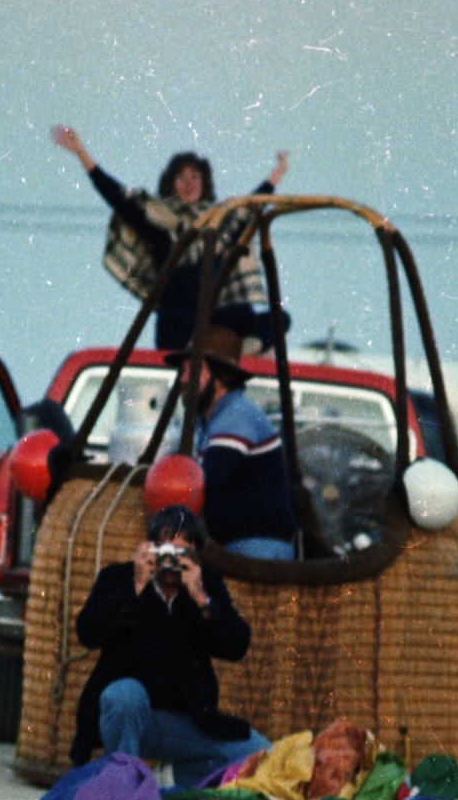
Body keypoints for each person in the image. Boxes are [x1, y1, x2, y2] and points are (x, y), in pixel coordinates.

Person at [70, 504, 268, 787]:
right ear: (151, 548)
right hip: (134, 712)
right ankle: (122, 787)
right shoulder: (119, 578)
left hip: (186, 720)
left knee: (259, 754)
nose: (171, 562)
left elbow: (237, 646)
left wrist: (202, 600)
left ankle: (165, 780)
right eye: (166, 551)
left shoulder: (205, 584)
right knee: (122, 695)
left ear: (195, 557)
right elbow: (87, 632)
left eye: (181, 553)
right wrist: (135, 587)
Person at [50, 125, 289, 351]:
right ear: (172, 183)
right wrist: (81, 152)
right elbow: (118, 196)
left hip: (216, 316)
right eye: (182, 177)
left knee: (276, 318)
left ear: (204, 183)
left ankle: (247, 347)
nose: (189, 183)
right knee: (170, 335)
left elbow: (252, 206)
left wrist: (278, 172)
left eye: (195, 177)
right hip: (179, 321)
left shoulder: (220, 222)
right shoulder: (158, 220)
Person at [186, 326, 298, 559]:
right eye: (183, 370)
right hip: (235, 546)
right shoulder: (206, 421)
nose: (184, 378)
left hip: (258, 549)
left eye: (194, 370)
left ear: (221, 378)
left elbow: (208, 482)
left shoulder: (237, 413)